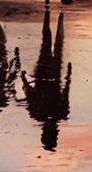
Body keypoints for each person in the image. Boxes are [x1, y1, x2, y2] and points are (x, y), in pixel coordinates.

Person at [20, 8, 72, 152]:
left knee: (54, 44)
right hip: (46, 75)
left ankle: (56, 16)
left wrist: (68, 75)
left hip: (51, 75)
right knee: (48, 43)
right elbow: (65, 93)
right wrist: (68, 75)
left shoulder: (57, 114)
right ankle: (50, 15)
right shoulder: (39, 114)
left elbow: (29, 94)